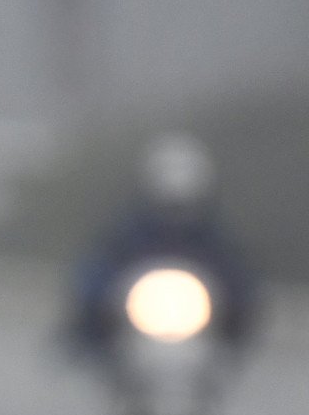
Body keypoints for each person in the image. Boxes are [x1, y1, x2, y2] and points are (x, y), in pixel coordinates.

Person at [70, 132, 258, 359]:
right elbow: (99, 266)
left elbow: (236, 274)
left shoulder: (212, 236)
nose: (175, 208)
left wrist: (238, 304)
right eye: (169, 202)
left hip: (196, 324)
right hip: (136, 319)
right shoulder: (130, 230)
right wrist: (97, 298)